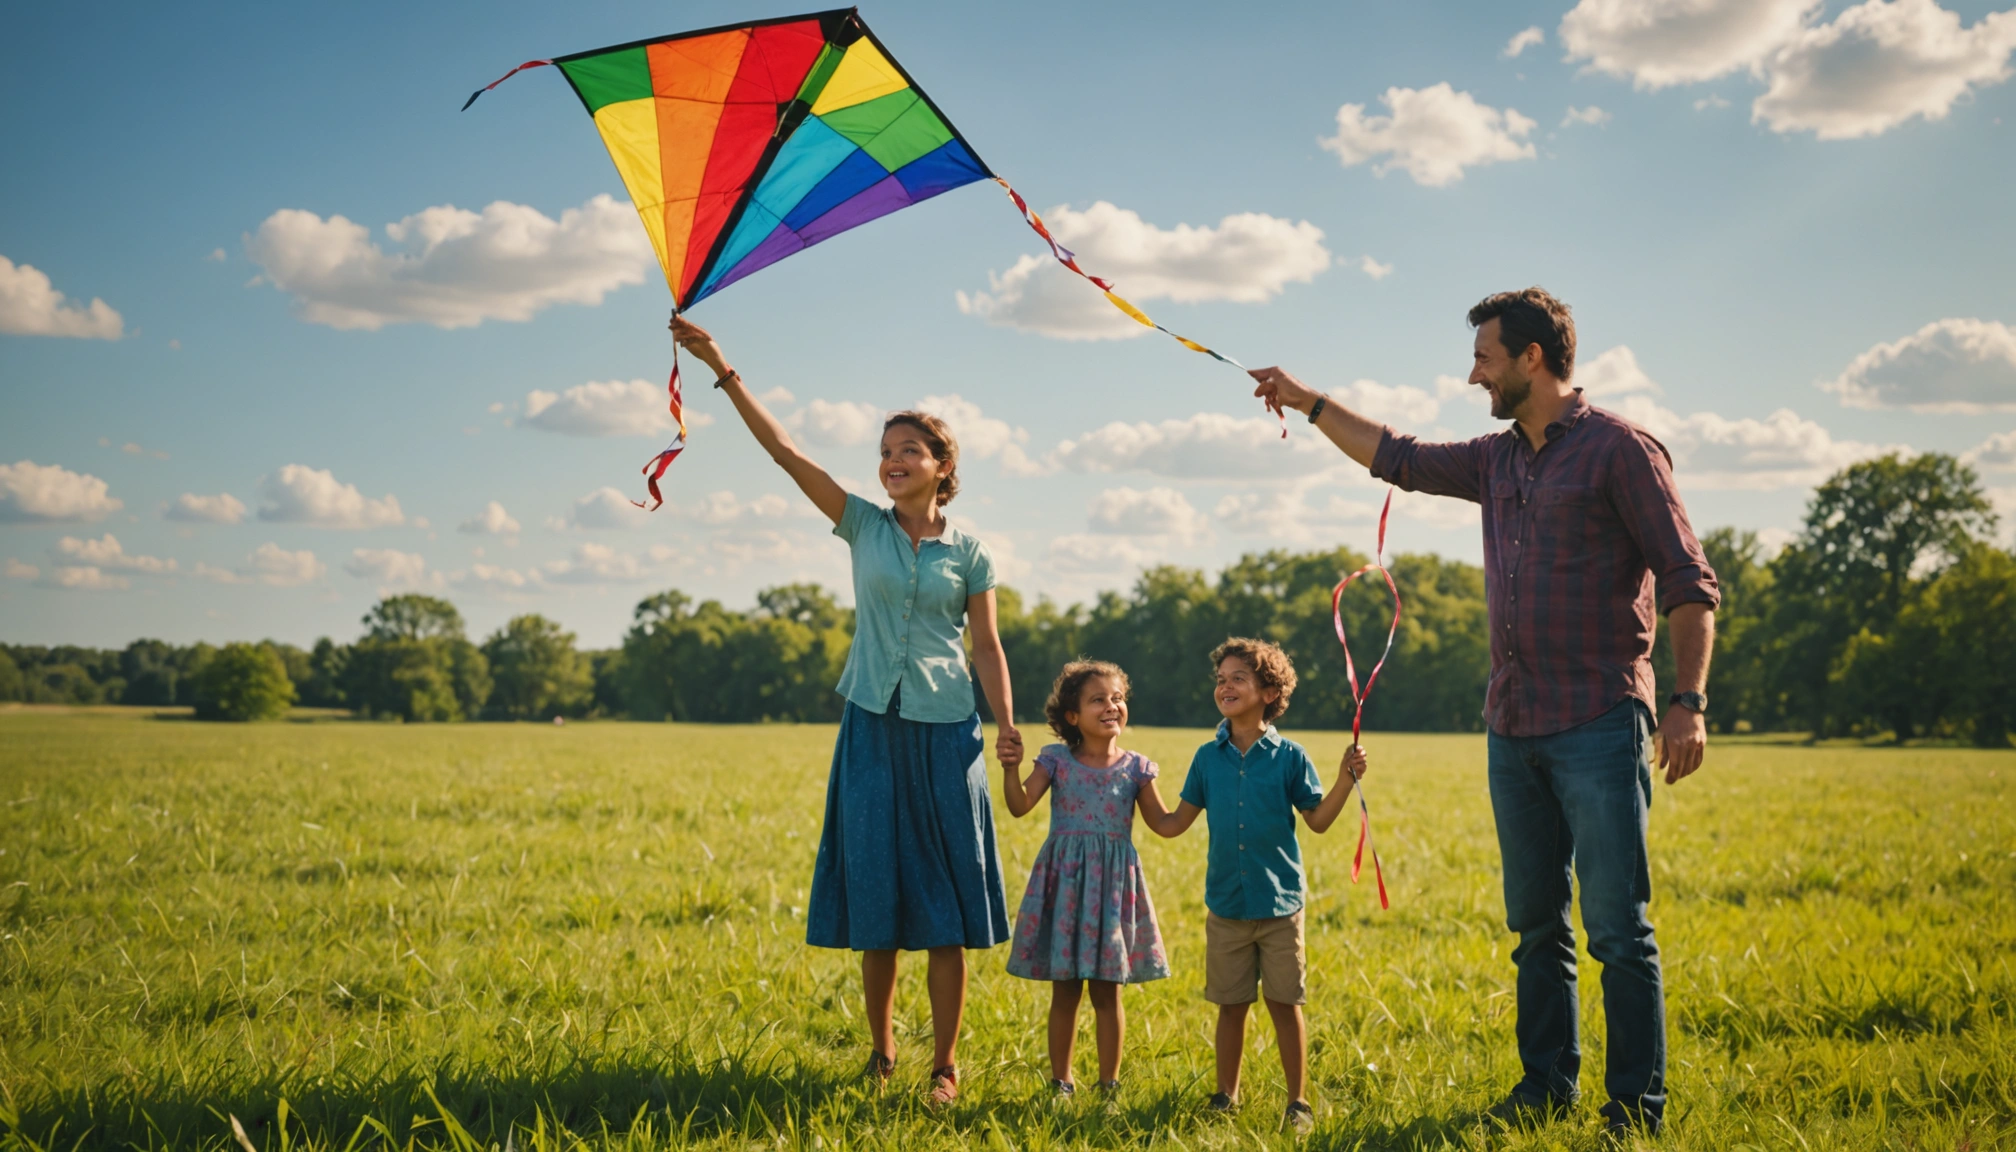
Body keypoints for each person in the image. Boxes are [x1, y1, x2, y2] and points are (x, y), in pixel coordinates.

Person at [1249, 287, 1718, 1138]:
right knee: (1538, 927)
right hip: (1514, 723)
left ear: (1532, 359)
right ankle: (1546, 1088)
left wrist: (1687, 702)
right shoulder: (1497, 460)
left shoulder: (1621, 451)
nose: (1474, 376)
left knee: (1617, 929)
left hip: (1602, 719)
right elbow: (1396, 455)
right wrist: (1306, 400)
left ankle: (1635, 1111)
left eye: (1485, 358)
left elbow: (1690, 582)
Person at [671, 316, 1022, 1107]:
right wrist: (720, 363)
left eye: (909, 451)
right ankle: (882, 1053)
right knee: (876, 889)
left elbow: (989, 646)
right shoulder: (861, 523)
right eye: (886, 451)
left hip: (946, 732)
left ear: (941, 468)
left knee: (944, 904)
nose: (892, 462)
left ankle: (945, 1065)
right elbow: (787, 454)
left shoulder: (970, 551)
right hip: (870, 722)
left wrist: (1005, 722)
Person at [1147, 638, 1368, 1134]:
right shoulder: (1207, 758)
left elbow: (1317, 821)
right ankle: (1227, 1096)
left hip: (1280, 907)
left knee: (1285, 1005)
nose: (1225, 686)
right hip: (1226, 905)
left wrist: (1344, 779)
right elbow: (1172, 823)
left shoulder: (1290, 757)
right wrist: (1134, 782)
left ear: (1269, 691)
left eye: (1238, 679)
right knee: (1231, 1005)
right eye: (1221, 679)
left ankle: (1298, 1102)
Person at [1001, 660, 1171, 1100]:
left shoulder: (1137, 769)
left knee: (1108, 993)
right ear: (1072, 716)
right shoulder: (1056, 760)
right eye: (1099, 699)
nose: (1112, 705)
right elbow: (1020, 805)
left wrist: (1207, 792)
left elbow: (1166, 825)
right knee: (1065, 991)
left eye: (1118, 698)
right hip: (1066, 888)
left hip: (1112, 892)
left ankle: (1108, 1085)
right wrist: (1009, 767)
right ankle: (1061, 1082)